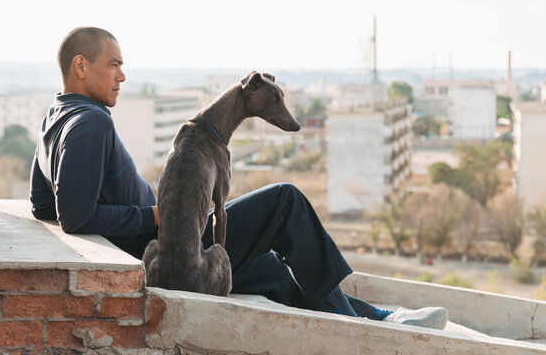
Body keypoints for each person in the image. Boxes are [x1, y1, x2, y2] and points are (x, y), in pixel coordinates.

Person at [30, 26, 448, 330]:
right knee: (284, 202)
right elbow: (75, 217)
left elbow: (41, 206)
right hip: (171, 248)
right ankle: (371, 322)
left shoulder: (56, 117)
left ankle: (379, 318)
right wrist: (153, 218)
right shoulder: (90, 124)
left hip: (174, 245)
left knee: (273, 272)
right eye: (114, 64)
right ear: (80, 66)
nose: (122, 75)